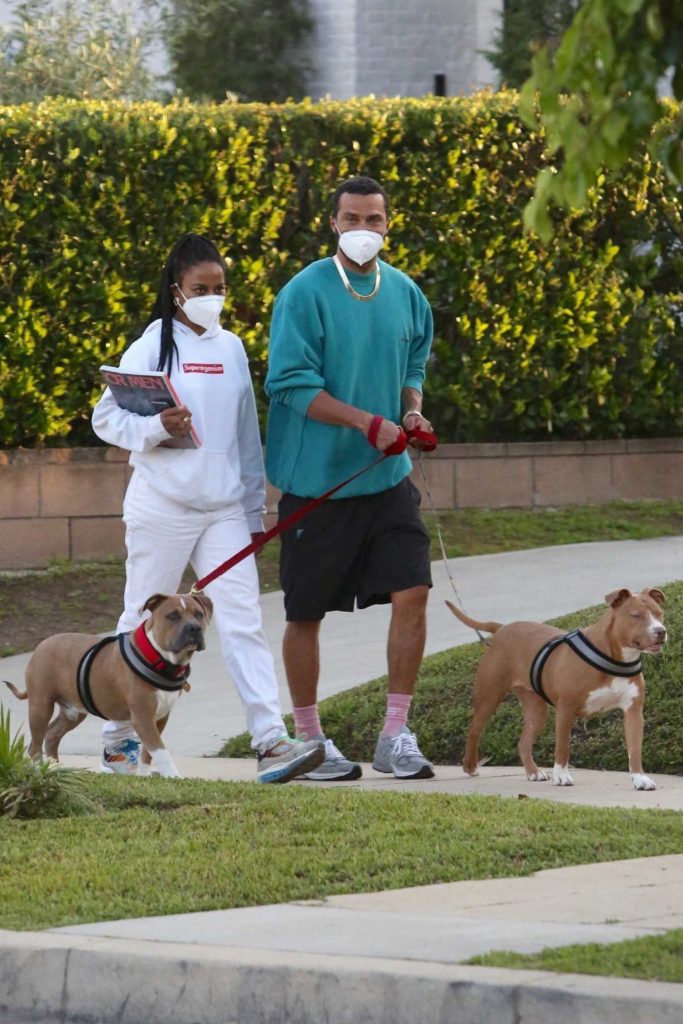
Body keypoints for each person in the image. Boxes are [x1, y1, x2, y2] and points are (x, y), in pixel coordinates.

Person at [92, 232, 324, 783]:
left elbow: (246, 437)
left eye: (220, 288)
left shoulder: (232, 348)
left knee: (243, 620)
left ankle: (270, 740)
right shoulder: (152, 346)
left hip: (223, 511)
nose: (212, 297)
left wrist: (250, 514)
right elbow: (107, 419)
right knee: (136, 620)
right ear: (177, 291)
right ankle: (119, 742)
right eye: (201, 288)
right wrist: (154, 427)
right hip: (162, 506)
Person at [264, 175, 436, 782]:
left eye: (375, 220)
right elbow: (288, 383)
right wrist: (366, 422)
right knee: (305, 612)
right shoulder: (303, 294)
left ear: (389, 225)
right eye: (353, 219)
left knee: (413, 590)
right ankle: (310, 741)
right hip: (318, 488)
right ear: (333, 224)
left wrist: (410, 409)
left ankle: (395, 734)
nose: (364, 230)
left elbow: (413, 361)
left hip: (389, 479)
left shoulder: (408, 293)